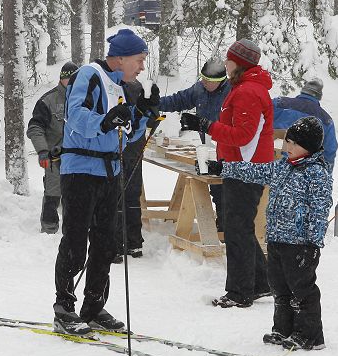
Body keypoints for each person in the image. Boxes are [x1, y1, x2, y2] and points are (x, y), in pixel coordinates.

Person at [53, 28, 158, 336]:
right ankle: (64, 308)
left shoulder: (121, 87)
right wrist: (107, 120)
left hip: (109, 172)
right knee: (75, 241)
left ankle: (94, 306)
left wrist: (145, 117)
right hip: (81, 170)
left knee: (106, 243)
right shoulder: (91, 74)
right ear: (122, 57)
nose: (140, 68)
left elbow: (125, 133)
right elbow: (77, 118)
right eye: (138, 60)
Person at [206, 116, 333, 350]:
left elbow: (320, 209)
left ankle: (310, 335)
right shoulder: (283, 166)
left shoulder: (316, 174)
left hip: (300, 243)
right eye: (287, 142)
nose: (287, 147)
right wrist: (223, 167)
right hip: (276, 239)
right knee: (280, 287)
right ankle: (283, 329)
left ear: (309, 147)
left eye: (294, 143)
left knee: (301, 290)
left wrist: (312, 244)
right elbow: (254, 171)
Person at [180, 38, 272, 308]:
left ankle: (239, 292)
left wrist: (206, 125)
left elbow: (243, 136)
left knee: (235, 230)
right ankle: (260, 282)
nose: (226, 62)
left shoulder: (247, 92)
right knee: (240, 226)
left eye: (230, 59)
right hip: (242, 165)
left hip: (246, 168)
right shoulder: (244, 87)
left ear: (239, 63)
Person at [159, 58, 232, 232]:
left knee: (225, 188)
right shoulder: (199, 89)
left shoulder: (231, 92)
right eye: (203, 78)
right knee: (214, 185)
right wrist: (156, 103)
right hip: (206, 145)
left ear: (221, 81)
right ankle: (222, 223)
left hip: (227, 146)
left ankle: (226, 225)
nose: (205, 82)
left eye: (209, 81)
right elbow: (179, 100)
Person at [27, 61, 78, 234]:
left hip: (80, 155)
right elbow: (35, 128)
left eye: (75, 79)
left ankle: (76, 228)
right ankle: (49, 228)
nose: (71, 82)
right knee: (53, 190)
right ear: (61, 79)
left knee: (79, 193)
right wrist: (43, 151)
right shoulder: (48, 100)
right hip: (54, 155)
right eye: (68, 79)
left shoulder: (86, 99)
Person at [112, 80, 148, 264]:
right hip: (131, 145)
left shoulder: (120, 85)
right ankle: (132, 242)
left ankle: (120, 243)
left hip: (126, 145)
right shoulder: (135, 85)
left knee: (120, 194)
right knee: (130, 193)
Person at [273, 78, 338, 172]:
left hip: (272, 160)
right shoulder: (326, 120)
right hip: (302, 170)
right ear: (318, 96)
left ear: (303, 91)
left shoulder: (279, 103)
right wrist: (327, 174)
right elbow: (330, 151)